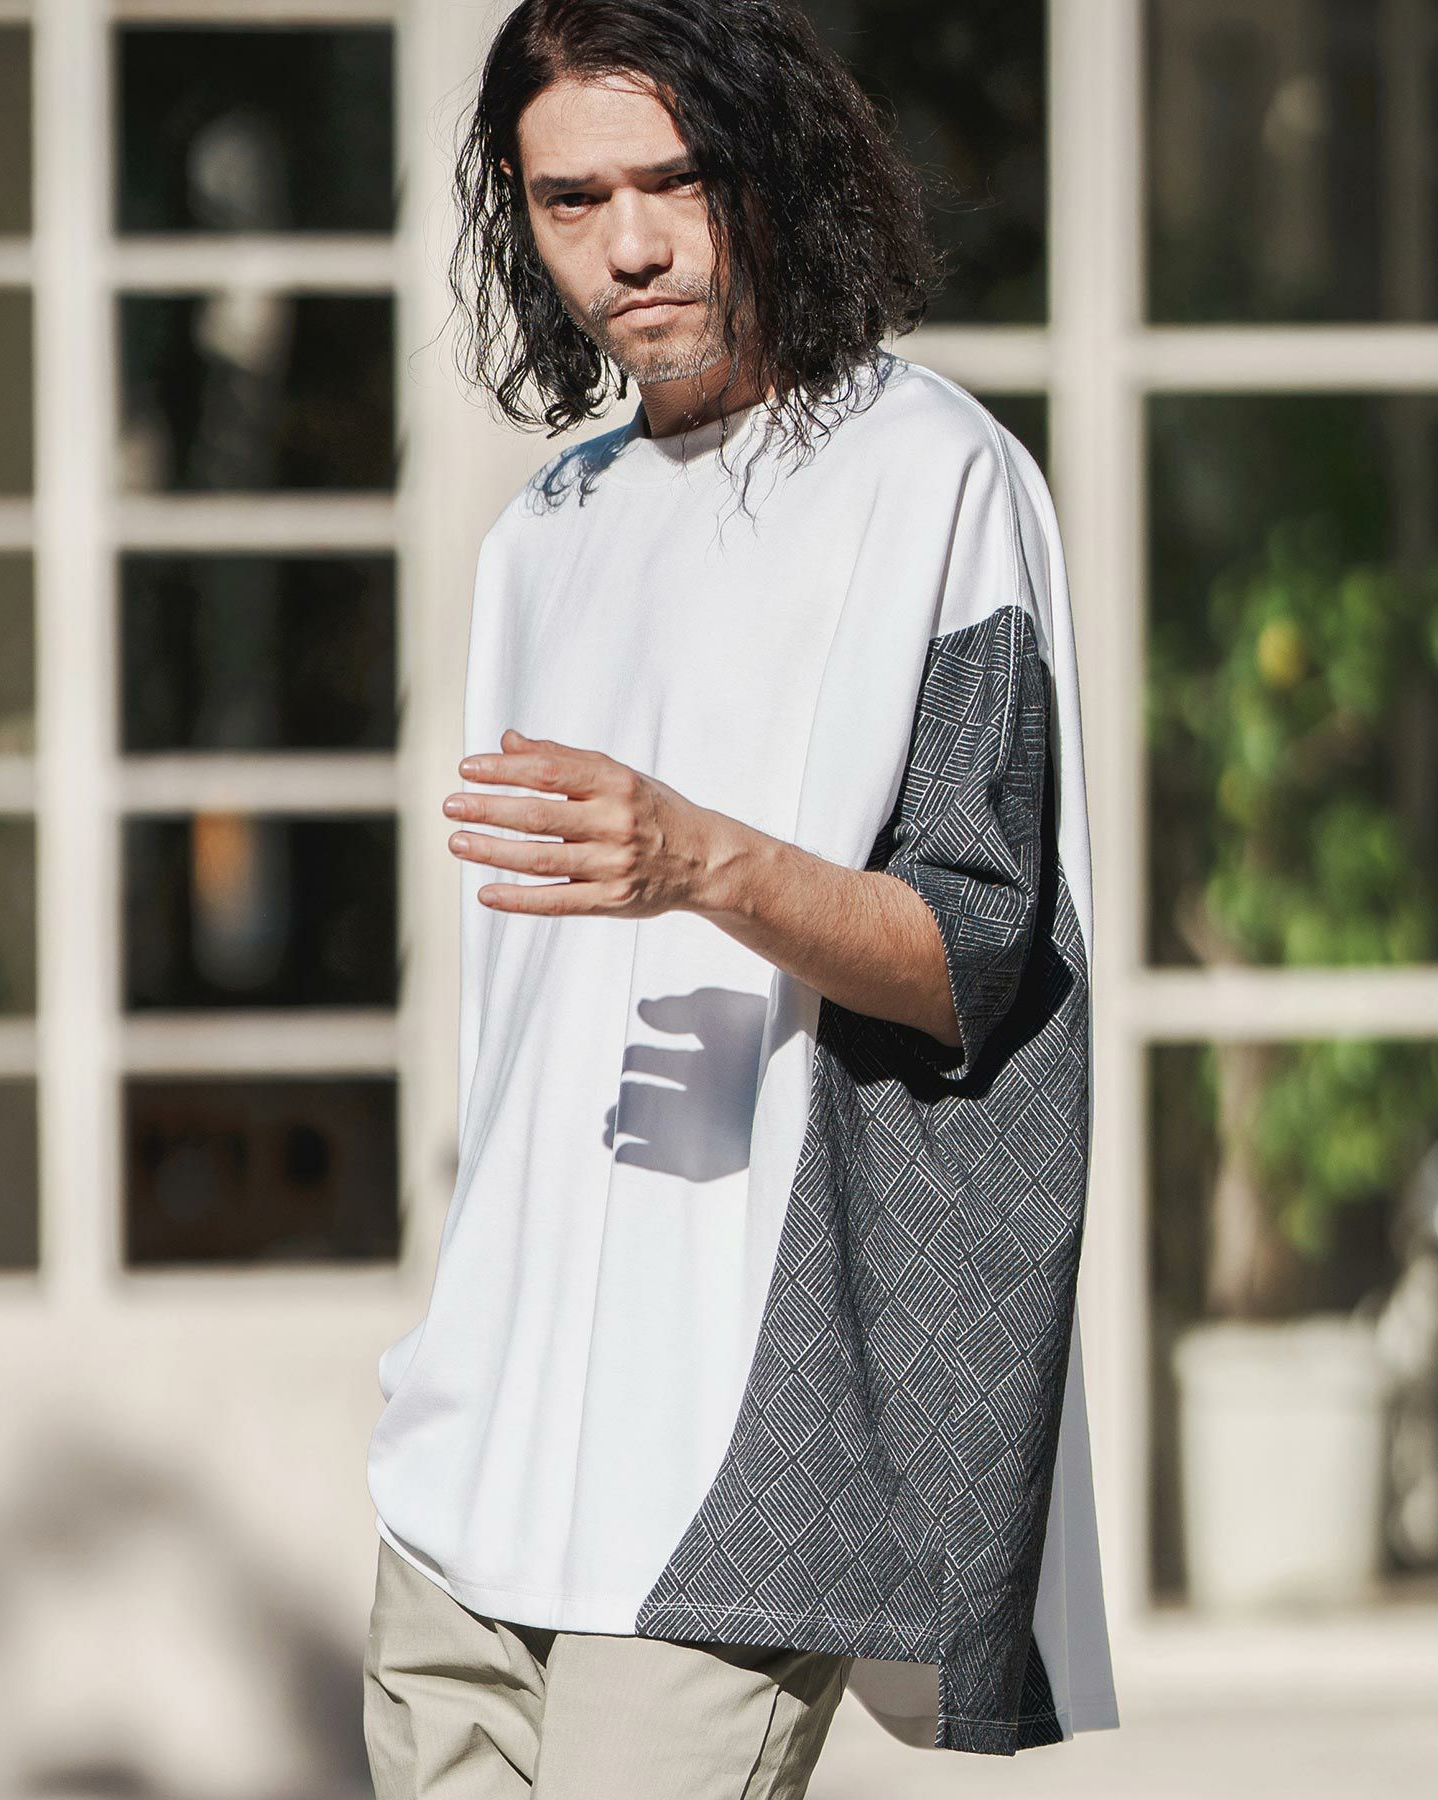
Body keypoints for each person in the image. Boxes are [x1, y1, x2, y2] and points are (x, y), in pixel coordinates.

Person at [363, 3, 1119, 1794]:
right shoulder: (547, 529)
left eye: (676, 180)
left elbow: (980, 956)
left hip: (731, 1448)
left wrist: (700, 858)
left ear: (772, 166)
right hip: (478, 1449)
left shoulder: (929, 475)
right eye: (571, 201)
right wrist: (443, 1354)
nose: (628, 246)